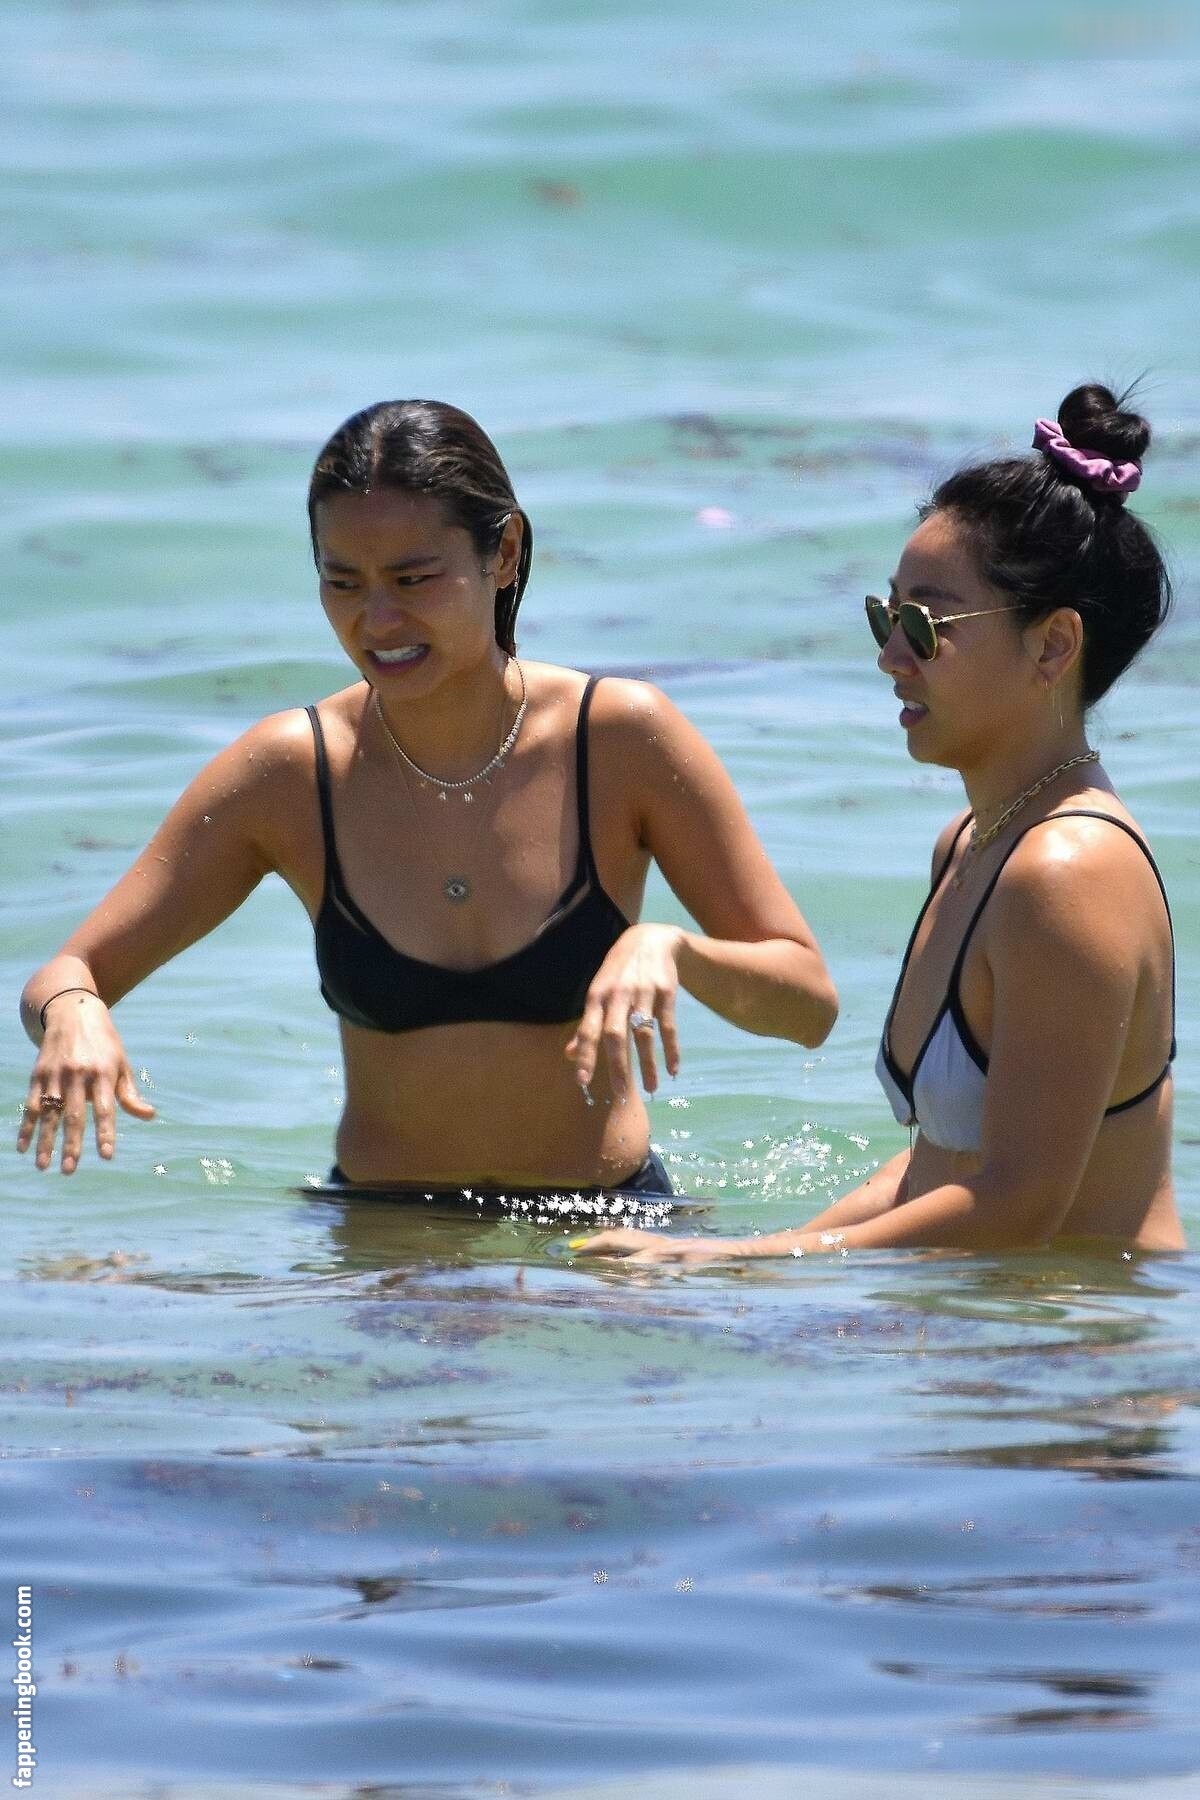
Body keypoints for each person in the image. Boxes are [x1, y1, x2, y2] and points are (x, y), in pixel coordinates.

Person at [17, 399, 837, 1197]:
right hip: (383, 1240)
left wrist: (674, 950)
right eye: (343, 582)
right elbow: (67, 971)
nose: (378, 620)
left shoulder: (620, 740)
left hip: (605, 1236)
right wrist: (74, 1011)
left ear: (504, 552)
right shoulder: (292, 772)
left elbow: (808, 1006)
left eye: (414, 578)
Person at [575, 384, 1184, 1260]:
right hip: (1002, 1324)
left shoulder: (1070, 870)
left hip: (1080, 1336)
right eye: (886, 616)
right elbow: (936, 1169)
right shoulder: (972, 843)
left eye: (925, 625)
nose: (891, 655)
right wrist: (754, 1262)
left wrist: (738, 1261)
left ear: (1052, 645)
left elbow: (1019, 1204)